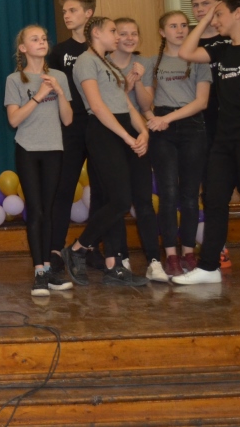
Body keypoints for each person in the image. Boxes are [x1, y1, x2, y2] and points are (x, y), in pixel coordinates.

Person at [174, 0, 240, 287]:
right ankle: (209, 266)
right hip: (223, 137)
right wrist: (207, 19)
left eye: (219, 14)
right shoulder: (222, 49)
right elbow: (186, 52)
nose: (214, 19)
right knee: (214, 199)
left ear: (238, 13)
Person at [61, 17, 150, 287]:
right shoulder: (86, 61)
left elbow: (125, 102)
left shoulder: (108, 63)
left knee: (113, 200)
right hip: (104, 132)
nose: (118, 36)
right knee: (121, 200)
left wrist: (142, 131)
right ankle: (78, 248)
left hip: (121, 129)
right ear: (97, 33)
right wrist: (126, 136)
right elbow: (98, 106)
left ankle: (113, 265)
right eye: (113, 31)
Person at [5, 25, 74, 296]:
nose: (42, 42)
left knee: (49, 209)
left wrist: (59, 91)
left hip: (54, 149)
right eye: (35, 39)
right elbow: (14, 120)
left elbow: (67, 119)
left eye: (44, 38)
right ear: (23, 48)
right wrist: (39, 96)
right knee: (35, 210)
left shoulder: (59, 76)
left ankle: (48, 268)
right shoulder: (15, 80)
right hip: (28, 149)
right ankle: (39, 272)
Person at [141, 11, 211, 276]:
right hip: (163, 130)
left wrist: (166, 118)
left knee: (190, 195)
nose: (180, 30)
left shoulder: (199, 59)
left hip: (192, 126)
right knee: (168, 193)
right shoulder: (152, 62)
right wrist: (153, 119)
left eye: (184, 25)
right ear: (162, 32)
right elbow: (145, 102)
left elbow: (201, 101)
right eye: (173, 26)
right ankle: (170, 254)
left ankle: (188, 252)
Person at [48, 0, 103, 273]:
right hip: (70, 126)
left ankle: (91, 247)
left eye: (72, 10)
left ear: (88, 13)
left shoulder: (101, 48)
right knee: (64, 188)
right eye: (64, 11)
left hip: (99, 123)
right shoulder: (59, 52)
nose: (67, 16)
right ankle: (55, 249)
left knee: (101, 188)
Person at [109, 18, 165, 282]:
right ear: (113, 37)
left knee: (143, 200)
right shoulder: (103, 63)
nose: (129, 38)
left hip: (139, 134)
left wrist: (139, 82)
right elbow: (104, 103)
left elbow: (145, 105)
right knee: (118, 199)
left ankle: (154, 260)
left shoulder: (144, 63)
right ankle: (121, 257)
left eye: (134, 33)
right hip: (112, 135)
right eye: (123, 33)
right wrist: (125, 87)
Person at [190, 0, 234, 269]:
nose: (199, 10)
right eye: (195, 5)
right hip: (199, 126)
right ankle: (216, 248)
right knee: (208, 189)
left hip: (231, 124)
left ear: (218, 5)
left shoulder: (230, 40)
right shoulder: (189, 44)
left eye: (205, 4)